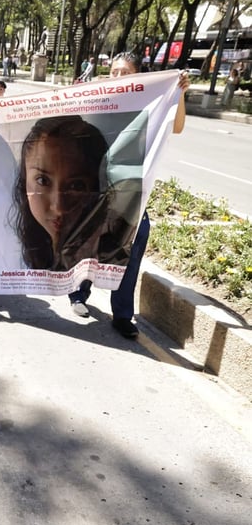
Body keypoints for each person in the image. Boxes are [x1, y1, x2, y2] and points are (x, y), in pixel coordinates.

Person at [67, 51, 189, 338]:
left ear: (138, 75)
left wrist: (179, 93)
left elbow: (178, 127)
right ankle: (77, 293)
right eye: (115, 72)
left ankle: (122, 315)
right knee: (89, 244)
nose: (119, 77)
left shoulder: (152, 102)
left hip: (131, 192)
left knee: (130, 250)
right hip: (97, 189)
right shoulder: (102, 98)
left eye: (126, 72)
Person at [11, 115, 117, 272]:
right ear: (24, 181)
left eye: (76, 186)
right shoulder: (9, 249)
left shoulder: (111, 243)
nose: (58, 207)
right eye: (42, 181)